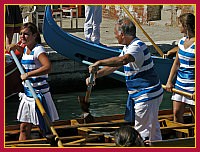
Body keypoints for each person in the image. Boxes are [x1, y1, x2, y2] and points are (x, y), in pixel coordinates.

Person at [87, 18, 163, 141]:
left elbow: (123, 60)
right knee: (153, 130)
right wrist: (97, 75)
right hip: (147, 94)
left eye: (115, 34)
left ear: (122, 34)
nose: (115, 37)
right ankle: (158, 144)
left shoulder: (136, 47)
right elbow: (117, 64)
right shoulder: (128, 47)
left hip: (147, 95)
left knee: (141, 132)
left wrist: (99, 62)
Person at [7, 22, 59, 140]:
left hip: (40, 95)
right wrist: (14, 46)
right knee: (24, 128)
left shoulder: (38, 50)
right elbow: (22, 50)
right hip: (28, 95)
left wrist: (28, 74)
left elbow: (47, 67)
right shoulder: (26, 49)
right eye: (21, 34)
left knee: (45, 129)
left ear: (34, 35)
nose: (22, 36)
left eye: (26, 34)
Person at [165, 13, 195, 123]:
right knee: (176, 113)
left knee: (195, 117)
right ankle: (179, 137)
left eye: (180, 24)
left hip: (193, 86)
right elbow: (176, 63)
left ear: (186, 26)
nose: (178, 26)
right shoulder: (181, 41)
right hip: (180, 84)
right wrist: (169, 81)